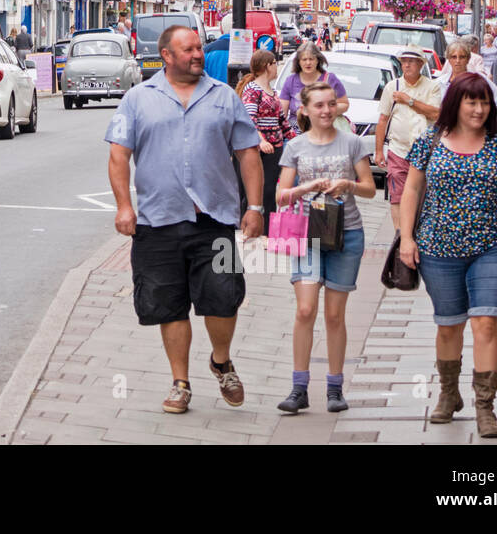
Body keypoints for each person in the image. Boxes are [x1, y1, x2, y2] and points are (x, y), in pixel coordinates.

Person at [106, 25, 264, 415]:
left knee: (224, 299)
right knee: (168, 305)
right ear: (166, 55)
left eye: (199, 47)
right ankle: (180, 383)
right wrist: (125, 206)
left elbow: (248, 154)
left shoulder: (224, 97)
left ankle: (221, 361)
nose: (198, 54)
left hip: (215, 219)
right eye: (189, 49)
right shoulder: (137, 99)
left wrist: (256, 208)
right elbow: (118, 156)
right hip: (158, 222)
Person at [398, 73, 497, 439]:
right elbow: (411, 191)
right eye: (471, 102)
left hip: (496, 244)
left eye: (484, 103)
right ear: (456, 104)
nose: (479, 109)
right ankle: (450, 395)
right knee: (449, 325)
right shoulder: (429, 142)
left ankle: (485, 407)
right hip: (438, 245)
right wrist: (406, 238)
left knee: (486, 323)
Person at [274, 81, 376, 414]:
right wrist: (308, 187)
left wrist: (347, 184)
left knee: (334, 315)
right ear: (304, 109)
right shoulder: (296, 146)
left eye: (331, 104)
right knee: (305, 310)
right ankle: (299, 387)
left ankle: (335, 387)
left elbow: (370, 188)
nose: (326, 111)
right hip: (307, 233)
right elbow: (281, 195)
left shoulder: (352, 143)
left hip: (347, 233)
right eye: (319, 105)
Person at [373, 47, 442, 231]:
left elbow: (436, 113)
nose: (407, 65)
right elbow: (383, 119)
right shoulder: (392, 87)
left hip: (425, 152)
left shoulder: (432, 86)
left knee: (422, 194)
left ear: (420, 64)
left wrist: (409, 100)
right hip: (398, 149)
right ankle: (399, 233)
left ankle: (417, 230)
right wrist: (379, 150)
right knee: (396, 193)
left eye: (411, 61)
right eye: (404, 61)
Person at [237, 49, 295, 234]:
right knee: (253, 188)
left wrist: (299, 143)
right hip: (257, 148)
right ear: (265, 66)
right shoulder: (252, 90)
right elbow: (249, 118)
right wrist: (260, 140)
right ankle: (249, 224)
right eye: (274, 64)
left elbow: (283, 122)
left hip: (275, 147)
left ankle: (268, 230)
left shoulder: (272, 91)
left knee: (269, 190)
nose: (276, 67)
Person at [437, 41, 497, 131]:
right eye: (454, 57)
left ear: (468, 58)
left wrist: (492, 124)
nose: (458, 61)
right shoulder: (440, 82)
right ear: (449, 59)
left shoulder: (480, 79)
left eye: (462, 57)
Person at [278, 42, 349, 131]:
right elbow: (282, 113)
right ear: (298, 62)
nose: (308, 63)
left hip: (324, 131)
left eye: (311, 59)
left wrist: (325, 111)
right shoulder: (290, 81)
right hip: (296, 133)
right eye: (304, 59)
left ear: (317, 60)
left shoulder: (330, 79)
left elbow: (344, 104)